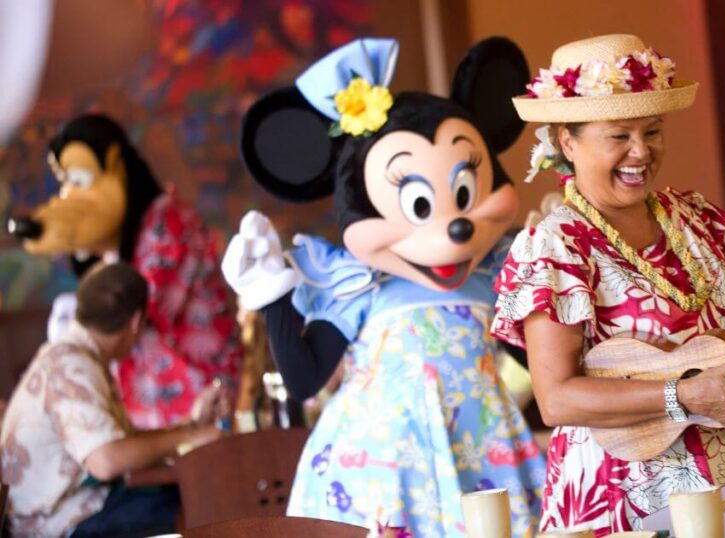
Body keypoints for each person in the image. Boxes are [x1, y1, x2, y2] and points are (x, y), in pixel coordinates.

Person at [221, 37, 546, 535]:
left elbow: (545, 372)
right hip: (379, 474)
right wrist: (273, 295)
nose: (452, 227)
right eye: (421, 204)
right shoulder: (358, 285)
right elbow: (305, 380)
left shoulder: (490, 277)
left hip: (483, 458)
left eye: (462, 194)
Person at [490, 34, 725, 535]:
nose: (642, 152)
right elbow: (557, 400)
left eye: (652, 131)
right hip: (622, 505)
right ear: (567, 141)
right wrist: (684, 396)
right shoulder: (556, 246)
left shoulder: (696, 219)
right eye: (619, 136)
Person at [10, 114, 241, 429]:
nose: (68, 194)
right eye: (64, 182)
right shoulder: (120, 245)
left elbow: (135, 310)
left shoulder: (169, 224)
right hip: (152, 417)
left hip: (204, 403)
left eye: (79, 180)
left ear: (117, 167)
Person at [0, 263, 230, 538]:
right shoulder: (70, 366)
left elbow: (122, 446)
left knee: (198, 494)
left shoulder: (71, 355)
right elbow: (107, 459)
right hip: (54, 524)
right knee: (208, 501)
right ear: (136, 321)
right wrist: (189, 435)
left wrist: (190, 425)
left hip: (70, 508)